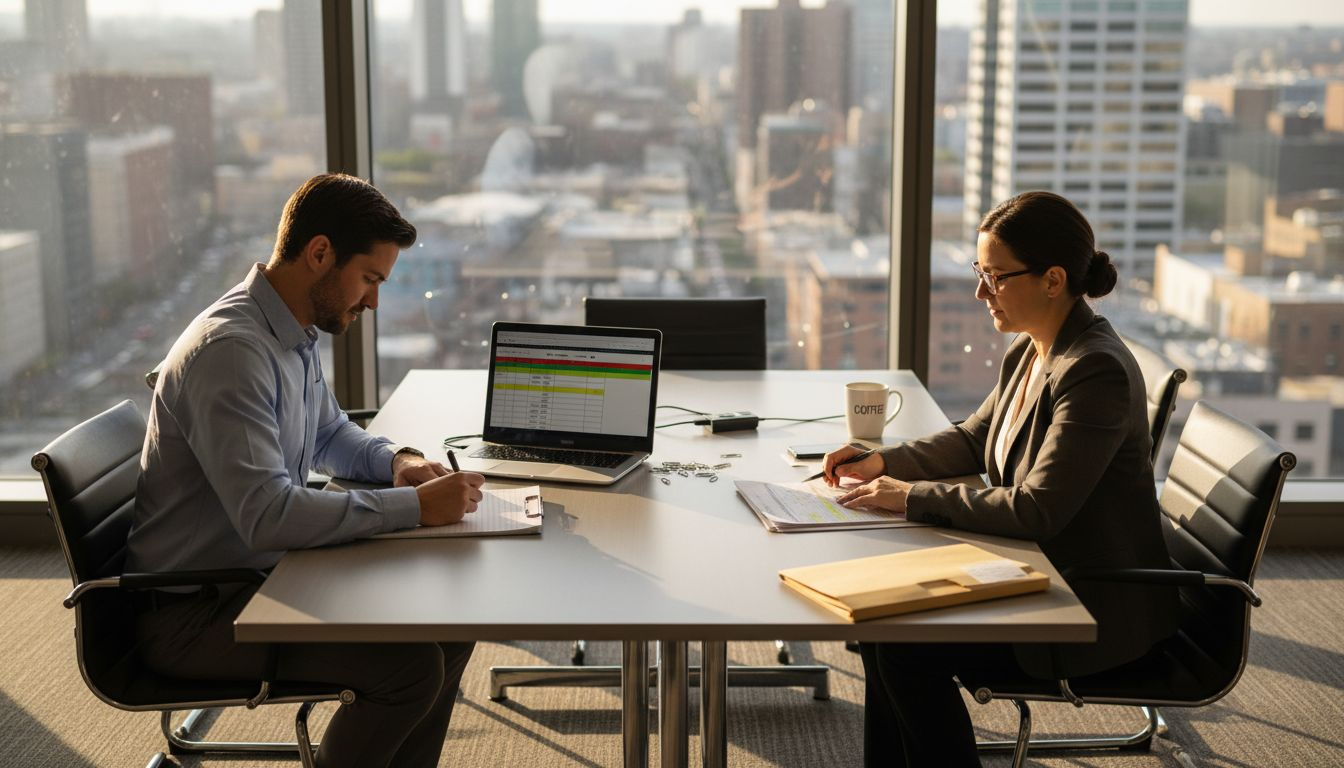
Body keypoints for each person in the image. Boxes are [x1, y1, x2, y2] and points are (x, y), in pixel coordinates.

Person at [126, 173, 485, 768]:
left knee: (448, 626)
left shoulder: (286, 332)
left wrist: (399, 464)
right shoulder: (232, 351)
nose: (374, 301)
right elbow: (268, 517)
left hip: (256, 577)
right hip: (196, 616)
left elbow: (328, 433)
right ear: (320, 253)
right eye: (370, 279)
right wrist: (416, 509)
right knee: (408, 667)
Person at [822, 190, 1180, 768]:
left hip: (1085, 601)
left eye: (995, 277)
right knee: (885, 629)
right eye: (978, 273)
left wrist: (910, 497)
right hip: (1036, 567)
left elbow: (1037, 510)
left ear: (1053, 280)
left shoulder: (1094, 371)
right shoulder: (1031, 350)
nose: (980, 292)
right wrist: (884, 461)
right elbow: (972, 437)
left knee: (904, 647)